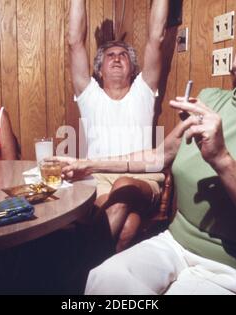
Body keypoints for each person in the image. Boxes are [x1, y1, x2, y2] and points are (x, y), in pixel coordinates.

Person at [58, 9, 236, 294]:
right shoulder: (210, 99)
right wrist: (86, 164)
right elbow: (158, 156)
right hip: (173, 244)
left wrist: (222, 160)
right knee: (105, 279)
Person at [68, 0, 169, 252]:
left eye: (122, 55)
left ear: (133, 68)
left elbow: (156, 37)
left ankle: (83, 270)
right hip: (99, 179)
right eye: (109, 56)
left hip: (142, 178)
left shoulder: (143, 90)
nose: (116, 59)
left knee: (124, 184)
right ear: (99, 70)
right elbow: (74, 42)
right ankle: (104, 279)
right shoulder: (89, 94)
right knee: (127, 227)